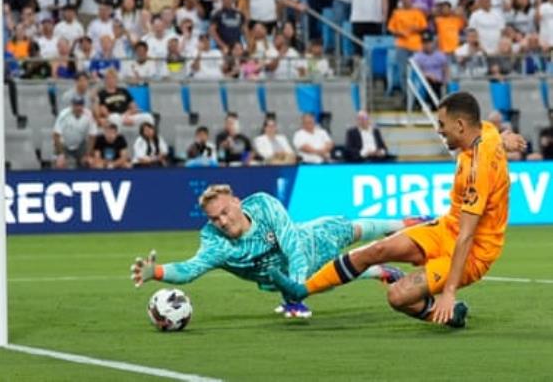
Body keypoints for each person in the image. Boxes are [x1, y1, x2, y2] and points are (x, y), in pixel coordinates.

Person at [268, 92, 514, 328]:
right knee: (377, 249)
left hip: (472, 252)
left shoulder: (478, 170)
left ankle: (448, 314)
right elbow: (490, 137)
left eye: (442, 124)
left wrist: (449, 292)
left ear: (460, 125)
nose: (438, 130)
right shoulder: (486, 133)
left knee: (397, 297)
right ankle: (301, 290)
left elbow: (467, 235)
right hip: (447, 227)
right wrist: (505, 139)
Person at [130, 184, 425, 318]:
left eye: (223, 212)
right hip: (295, 277)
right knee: (329, 275)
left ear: (237, 202)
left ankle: (406, 223)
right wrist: (155, 271)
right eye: (214, 219)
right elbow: (189, 269)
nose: (221, 221)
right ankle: (380, 271)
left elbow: (293, 247)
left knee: (355, 230)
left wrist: (297, 292)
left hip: (313, 240)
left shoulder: (263, 205)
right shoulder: (216, 243)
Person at [53, 95, 97, 169]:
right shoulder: (63, 115)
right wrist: (61, 154)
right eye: (76, 105)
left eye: (80, 105)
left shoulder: (88, 115)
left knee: (89, 162)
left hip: (80, 145)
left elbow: (92, 136)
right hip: (63, 145)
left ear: (83, 106)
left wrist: (88, 154)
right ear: (72, 105)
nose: (78, 108)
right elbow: (56, 135)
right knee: (59, 164)